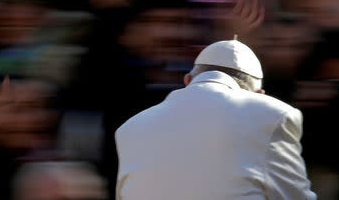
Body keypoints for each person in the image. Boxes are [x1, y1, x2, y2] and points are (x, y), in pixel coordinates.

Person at [115, 39, 316, 200]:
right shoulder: (274, 115)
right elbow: (293, 195)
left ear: (187, 80)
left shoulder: (130, 127)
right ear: (259, 93)